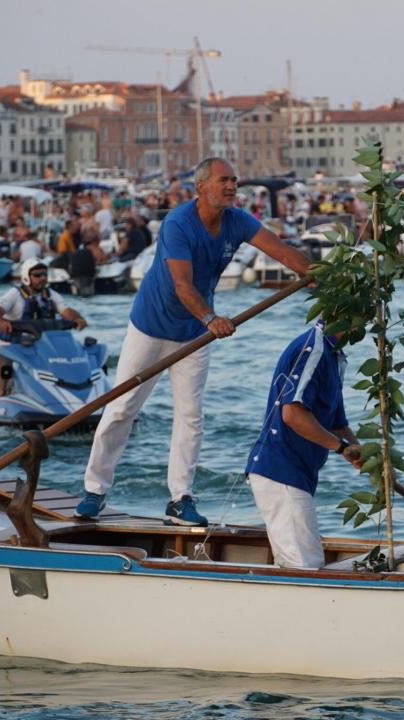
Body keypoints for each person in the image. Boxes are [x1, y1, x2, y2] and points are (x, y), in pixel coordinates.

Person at [76, 157, 313, 525]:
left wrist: (316, 272)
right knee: (122, 408)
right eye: (224, 180)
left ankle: (180, 498)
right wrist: (210, 319)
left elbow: (281, 251)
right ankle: (94, 489)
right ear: (201, 187)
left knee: (190, 416)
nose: (232, 186)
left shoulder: (238, 221)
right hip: (151, 327)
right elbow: (181, 285)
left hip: (194, 334)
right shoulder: (178, 223)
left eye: (235, 180)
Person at [245, 321, 361, 569]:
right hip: (281, 472)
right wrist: (341, 448)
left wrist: (365, 456)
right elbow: (293, 414)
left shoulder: (334, 354)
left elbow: (336, 422)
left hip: (299, 474)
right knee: (305, 566)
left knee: (304, 562)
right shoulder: (313, 349)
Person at [0, 259, 87, 398]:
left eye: (44, 274)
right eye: (38, 275)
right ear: (27, 277)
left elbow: (66, 310)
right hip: (15, 342)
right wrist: (1, 321)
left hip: (41, 343)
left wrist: (78, 318)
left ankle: (69, 394)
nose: (43, 278)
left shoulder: (50, 294)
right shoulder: (15, 294)